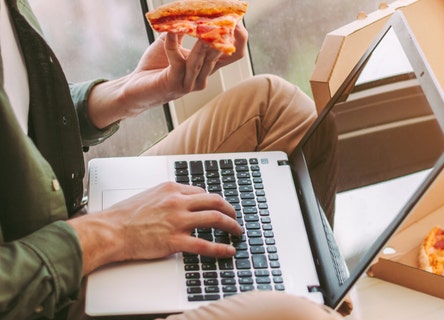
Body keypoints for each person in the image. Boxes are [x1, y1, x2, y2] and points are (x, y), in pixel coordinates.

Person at [0, 0, 343, 319]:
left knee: (278, 108)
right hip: (41, 293)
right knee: (295, 315)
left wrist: (126, 92)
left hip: (60, 222)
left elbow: (20, 118)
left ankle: (305, 284)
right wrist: (110, 233)